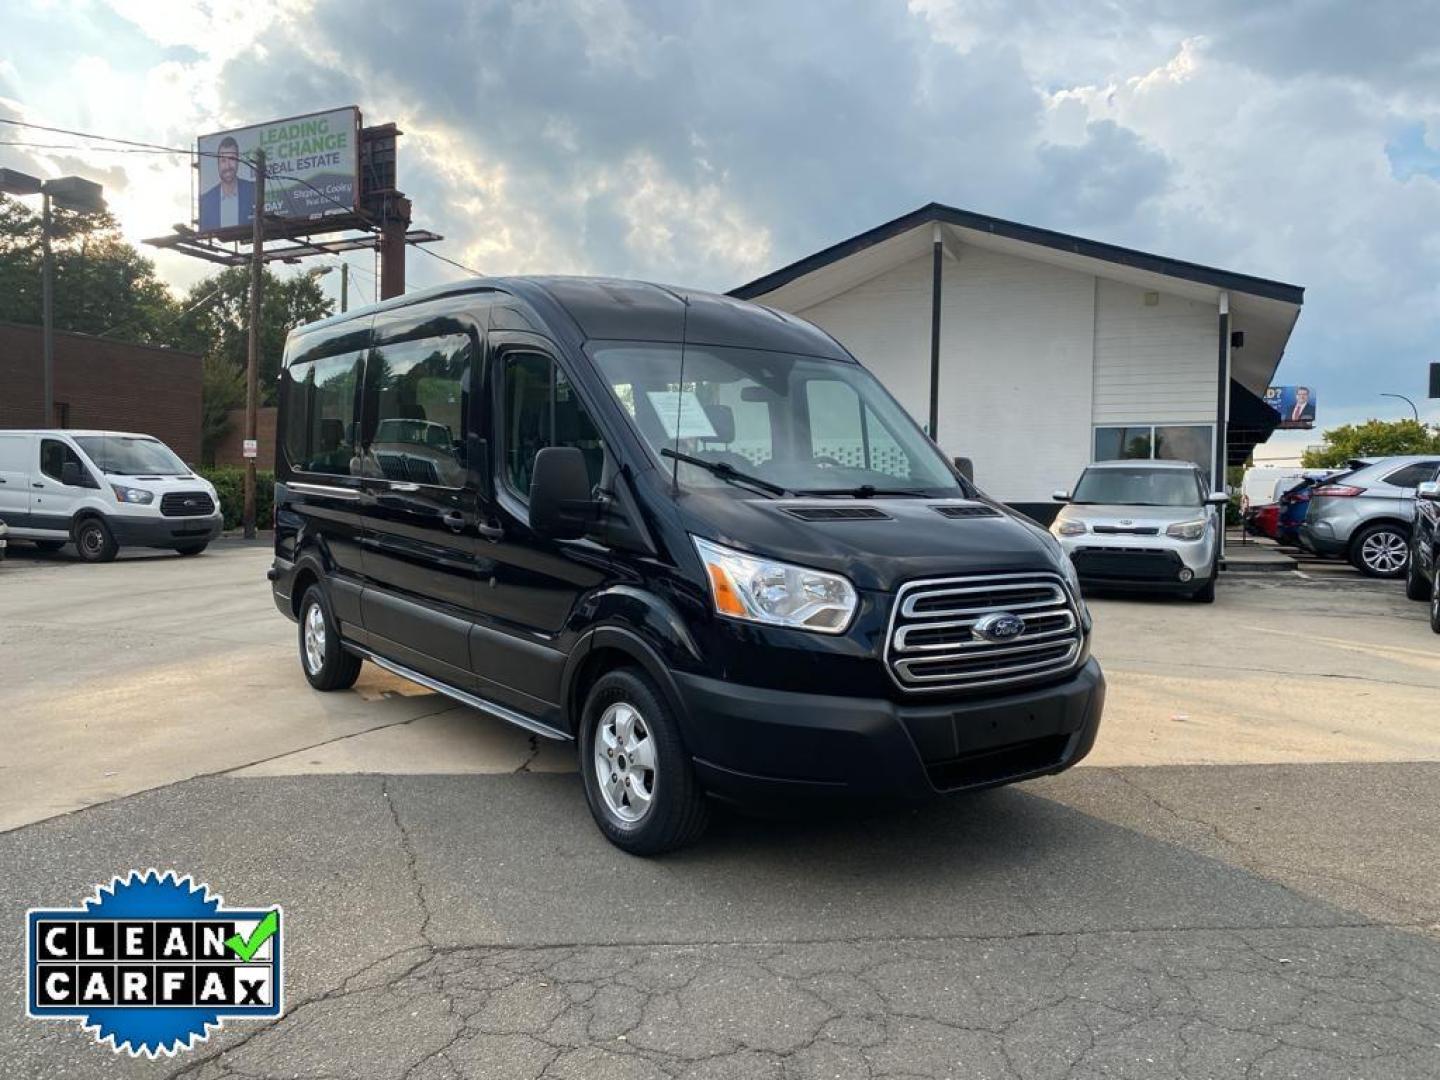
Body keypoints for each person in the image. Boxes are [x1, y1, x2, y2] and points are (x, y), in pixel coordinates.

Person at [198, 136, 254, 231]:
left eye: (232, 159)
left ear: (238, 161)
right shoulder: (206, 201)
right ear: (218, 164)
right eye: (223, 161)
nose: (227, 166)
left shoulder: (253, 190)